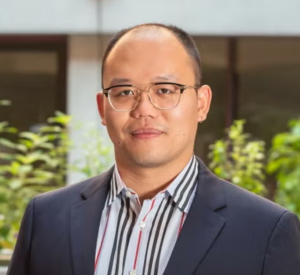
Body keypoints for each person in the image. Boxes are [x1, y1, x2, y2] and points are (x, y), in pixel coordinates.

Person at [7, 23, 300, 275]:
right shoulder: (45, 218)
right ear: (102, 108)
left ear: (201, 103)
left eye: (165, 90)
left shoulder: (266, 230)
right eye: (124, 93)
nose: (144, 109)